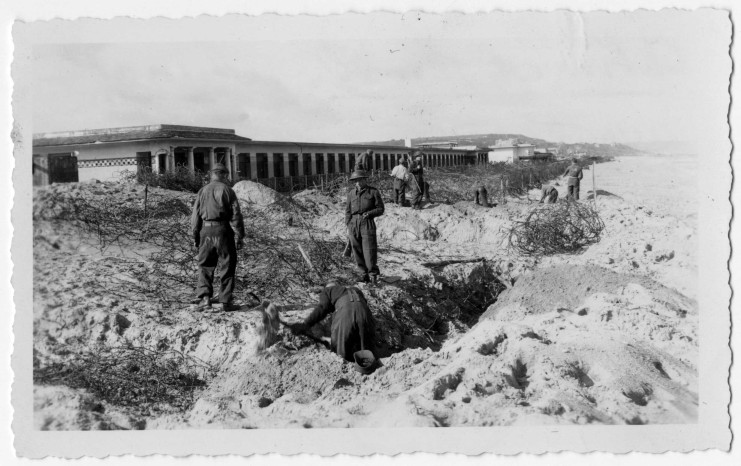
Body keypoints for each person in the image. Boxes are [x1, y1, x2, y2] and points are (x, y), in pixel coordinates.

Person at [190, 163, 245, 312]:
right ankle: (225, 302)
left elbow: (195, 217)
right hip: (223, 230)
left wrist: (195, 235)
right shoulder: (228, 191)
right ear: (224, 175)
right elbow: (236, 216)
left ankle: (205, 299)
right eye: (226, 176)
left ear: (212, 175)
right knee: (227, 265)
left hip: (206, 230)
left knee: (205, 265)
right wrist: (240, 235)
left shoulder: (202, 191)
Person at [287, 281, 377, 362]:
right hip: (365, 313)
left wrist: (306, 324)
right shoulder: (355, 289)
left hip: (346, 312)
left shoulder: (327, 291)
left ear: (328, 287)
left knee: (340, 351)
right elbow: (362, 304)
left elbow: (323, 308)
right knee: (366, 348)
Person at [345, 169, 384, 284]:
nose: (357, 183)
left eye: (359, 180)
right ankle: (363, 274)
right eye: (355, 181)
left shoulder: (373, 192)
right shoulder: (351, 193)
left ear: (364, 180)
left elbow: (380, 209)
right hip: (353, 223)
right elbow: (347, 211)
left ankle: (373, 275)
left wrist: (370, 213)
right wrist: (348, 225)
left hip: (367, 223)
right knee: (356, 250)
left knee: (369, 250)